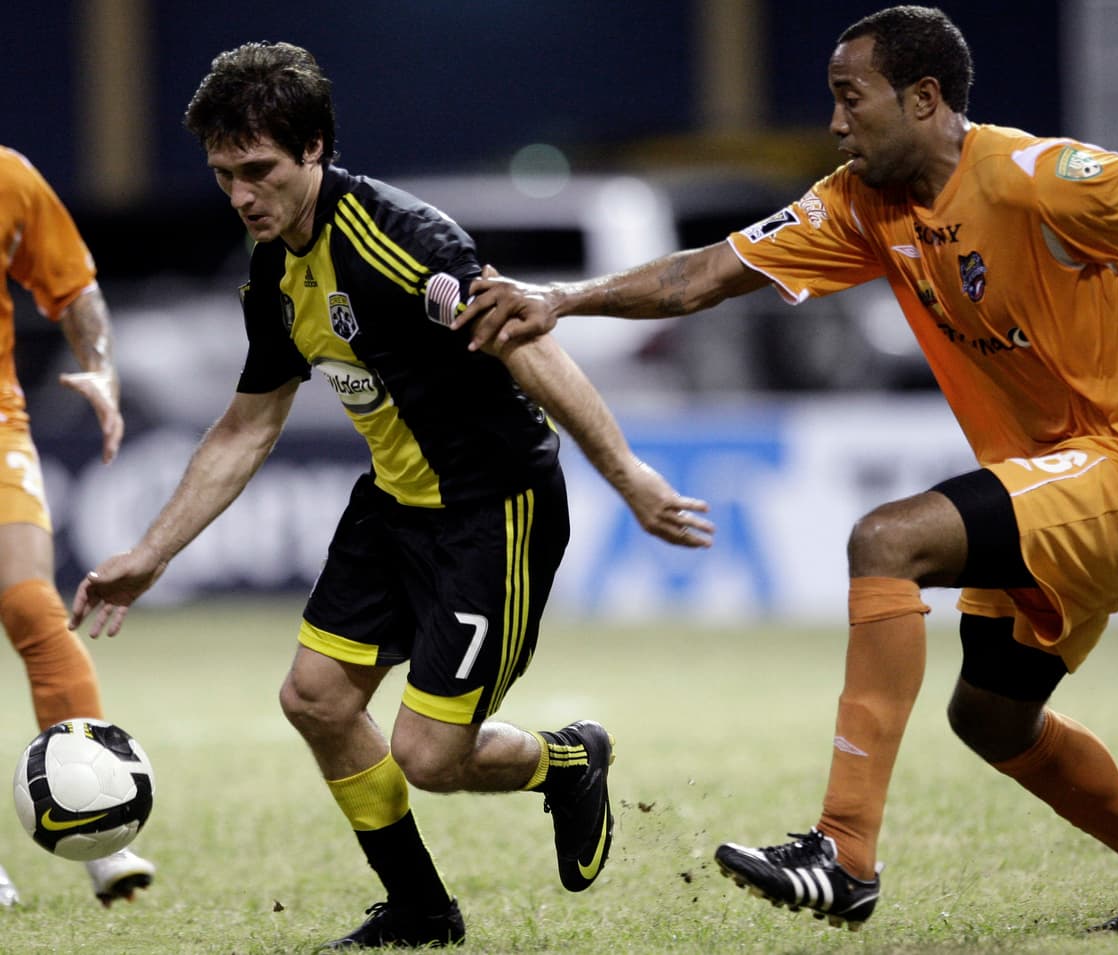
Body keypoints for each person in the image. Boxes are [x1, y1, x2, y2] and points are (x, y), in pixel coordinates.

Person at [453, 4, 1118, 934]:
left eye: (852, 98)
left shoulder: (1037, 178)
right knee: (991, 717)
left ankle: (842, 853)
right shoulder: (861, 203)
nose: (837, 123)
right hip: (1050, 481)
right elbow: (706, 274)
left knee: (887, 540)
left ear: (924, 98)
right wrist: (563, 298)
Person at [67, 41, 713, 950]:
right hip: (392, 505)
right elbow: (246, 427)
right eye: (224, 176)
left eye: (259, 171)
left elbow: (528, 342)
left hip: (494, 509)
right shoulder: (272, 271)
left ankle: (568, 759)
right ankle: (419, 909)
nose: (242, 195)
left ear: (315, 149)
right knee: (315, 699)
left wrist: (628, 473)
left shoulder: (402, 239)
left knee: (430, 757)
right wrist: (150, 552)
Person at [0, 145, 156, 908]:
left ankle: (100, 825)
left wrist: (101, 364)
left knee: (33, 605)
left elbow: (76, 290)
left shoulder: (9, 178)